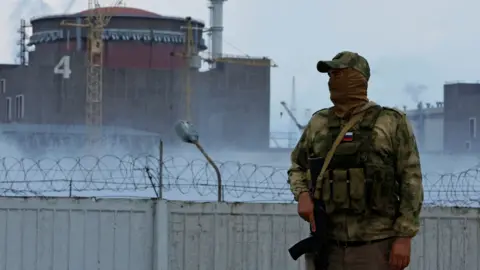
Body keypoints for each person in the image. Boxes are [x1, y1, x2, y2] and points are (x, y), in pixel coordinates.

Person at [288, 51, 424, 270]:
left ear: (357, 77)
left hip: (375, 245)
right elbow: (297, 166)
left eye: (338, 74)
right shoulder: (319, 123)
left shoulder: (390, 122)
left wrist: (404, 237)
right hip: (328, 244)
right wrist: (302, 194)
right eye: (330, 75)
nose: (331, 80)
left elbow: (411, 180)